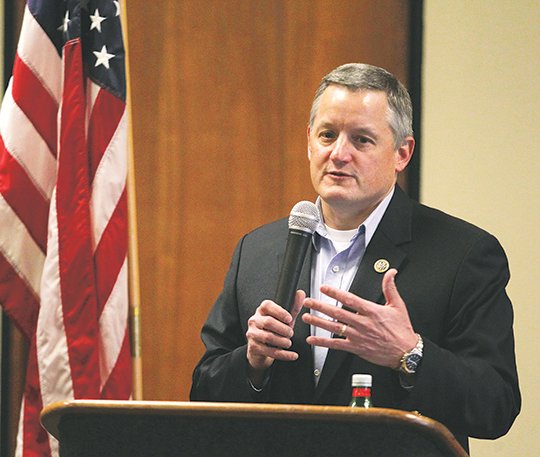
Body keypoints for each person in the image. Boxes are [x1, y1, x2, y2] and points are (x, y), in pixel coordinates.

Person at [190, 63, 520, 452]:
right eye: (327, 135)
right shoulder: (258, 249)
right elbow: (204, 393)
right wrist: (252, 362)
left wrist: (409, 353)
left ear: (402, 153)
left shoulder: (462, 253)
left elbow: (495, 406)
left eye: (362, 140)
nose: (339, 154)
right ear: (308, 141)